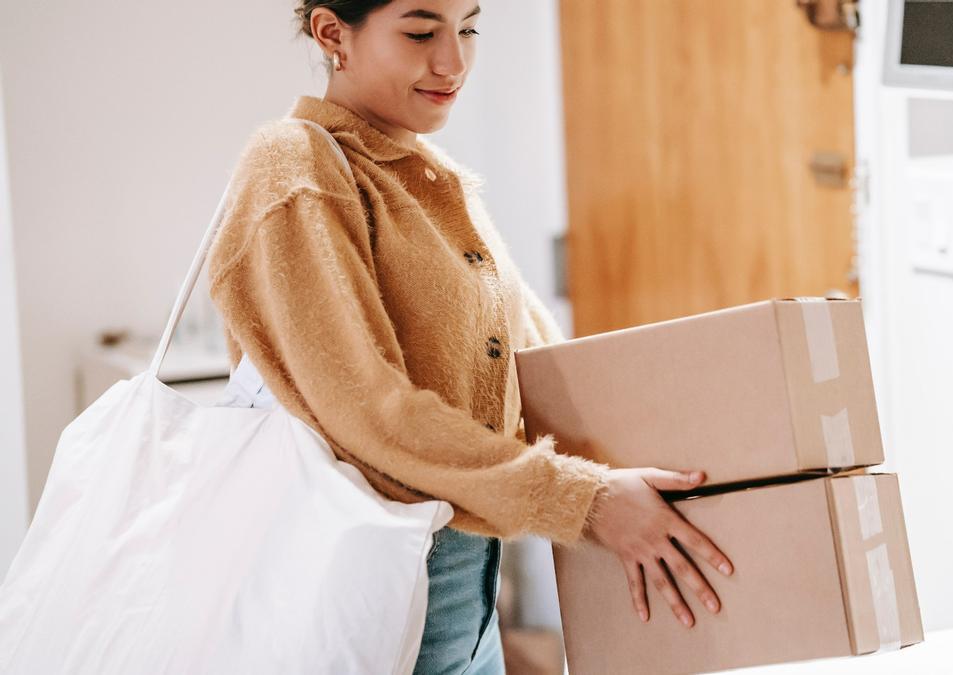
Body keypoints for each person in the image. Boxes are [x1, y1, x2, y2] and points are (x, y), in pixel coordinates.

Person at [207, 1, 735, 672]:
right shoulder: (292, 166)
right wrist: (588, 500)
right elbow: (371, 413)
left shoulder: (426, 172)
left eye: (469, 28)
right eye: (422, 31)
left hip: (468, 586)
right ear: (333, 32)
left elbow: (535, 360)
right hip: (375, 586)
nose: (453, 61)